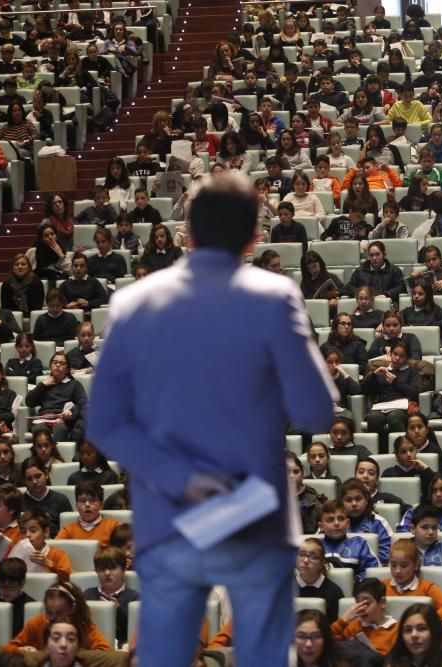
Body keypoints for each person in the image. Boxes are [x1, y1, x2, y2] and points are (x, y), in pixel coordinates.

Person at [87, 172, 337, 663]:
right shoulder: (274, 297)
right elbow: (316, 411)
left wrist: (184, 478)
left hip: (170, 516)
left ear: (188, 232)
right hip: (256, 516)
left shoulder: (132, 302)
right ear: (252, 238)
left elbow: (104, 424)